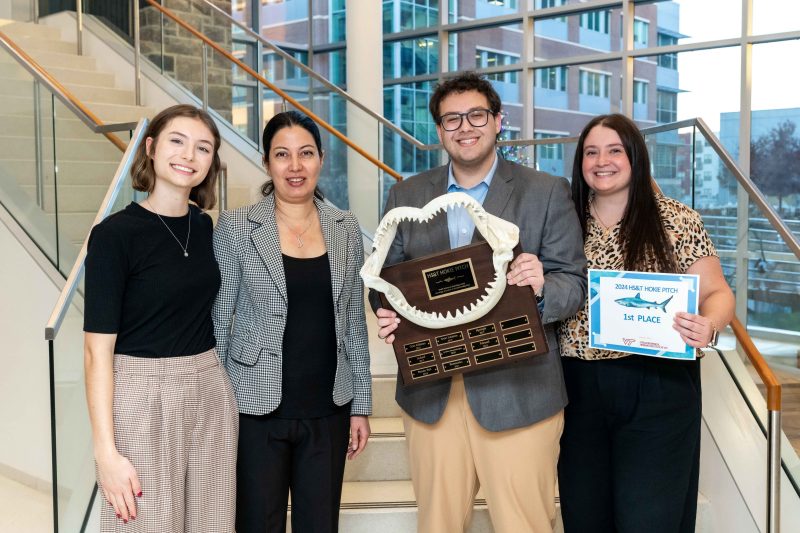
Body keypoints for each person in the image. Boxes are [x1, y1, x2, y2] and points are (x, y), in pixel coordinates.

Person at [373, 72, 587, 532]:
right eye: (452, 119)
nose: (464, 127)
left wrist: (543, 285)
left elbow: (574, 282)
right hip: (432, 395)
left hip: (520, 394)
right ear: (439, 131)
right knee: (438, 525)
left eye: (476, 115)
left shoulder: (546, 191)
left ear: (498, 122)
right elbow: (383, 280)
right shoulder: (406, 195)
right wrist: (384, 309)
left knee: (525, 525)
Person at [557, 113, 735, 533]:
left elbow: (718, 293)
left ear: (635, 156)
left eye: (615, 150)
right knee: (585, 518)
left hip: (659, 385)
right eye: (591, 152)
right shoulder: (561, 220)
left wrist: (709, 325)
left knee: (650, 520)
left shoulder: (677, 219)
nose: (602, 160)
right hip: (576, 386)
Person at [212, 110, 372, 533]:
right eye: (282, 155)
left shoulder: (346, 228)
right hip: (255, 410)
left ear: (321, 158)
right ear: (267, 163)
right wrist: (216, 405)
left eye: (305, 153)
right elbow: (219, 319)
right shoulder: (236, 226)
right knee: (256, 524)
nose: (295, 166)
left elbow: (353, 322)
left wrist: (362, 406)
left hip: (328, 409)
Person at [83, 104, 237, 532]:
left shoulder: (205, 227)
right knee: (142, 522)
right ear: (150, 148)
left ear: (210, 163)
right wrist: (105, 453)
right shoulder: (114, 236)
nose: (189, 155)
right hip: (140, 395)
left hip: (209, 389)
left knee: (213, 522)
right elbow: (97, 352)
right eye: (177, 141)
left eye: (203, 148)